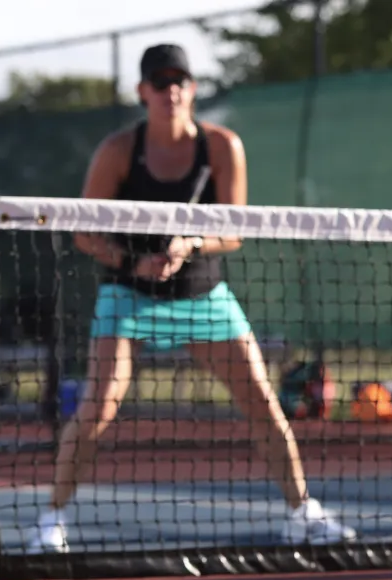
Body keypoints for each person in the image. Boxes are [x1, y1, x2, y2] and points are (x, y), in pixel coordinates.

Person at [26, 43, 356, 553]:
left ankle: (301, 513)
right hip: (128, 294)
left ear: (193, 89)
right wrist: (131, 262)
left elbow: (235, 231)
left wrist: (192, 242)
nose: (171, 90)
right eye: (160, 82)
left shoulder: (222, 146)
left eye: (180, 80)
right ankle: (51, 521)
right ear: (143, 93)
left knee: (264, 405)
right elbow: (83, 233)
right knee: (98, 406)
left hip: (203, 294)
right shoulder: (118, 151)